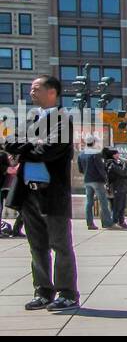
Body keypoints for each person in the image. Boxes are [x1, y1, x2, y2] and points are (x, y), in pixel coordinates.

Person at [3, 75, 79, 311]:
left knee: (60, 244)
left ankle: (67, 293)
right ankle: (43, 291)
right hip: (29, 193)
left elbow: (50, 149)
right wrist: (31, 142)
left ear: (52, 92)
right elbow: (9, 143)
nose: (31, 93)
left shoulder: (63, 119)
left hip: (52, 193)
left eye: (36, 88)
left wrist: (27, 145)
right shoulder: (32, 118)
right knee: (37, 245)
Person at [77, 136, 110, 231]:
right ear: (94, 142)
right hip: (97, 181)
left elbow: (80, 169)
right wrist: (106, 179)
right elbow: (100, 168)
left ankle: (90, 223)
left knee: (89, 202)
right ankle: (107, 222)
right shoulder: (96, 153)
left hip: (87, 180)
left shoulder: (81, 154)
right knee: (103, 202)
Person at [105, 149, 127, 228]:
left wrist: (125, 163)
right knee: (117, 206)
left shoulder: (116, 163)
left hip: (120, 187)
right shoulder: (112, 164)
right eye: (117, 154)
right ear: (113, 155)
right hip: (117, 187)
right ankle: (115, 222)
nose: (119, 155)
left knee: (122, 206)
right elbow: (123, 173)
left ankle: (121, 222)